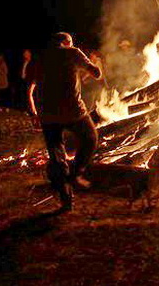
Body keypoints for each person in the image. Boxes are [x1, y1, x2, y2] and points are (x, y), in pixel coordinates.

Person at [28, 32, 102, 212]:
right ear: (66, 42)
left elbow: (29, 88)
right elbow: (96, 74)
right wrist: (96, 65)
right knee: (90, 138)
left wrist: (33, 113)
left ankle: (66, 200)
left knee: (57, 155)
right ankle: (76, 173)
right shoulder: (72, 52)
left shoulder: (39, 58)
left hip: (47, 115)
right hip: (73, 112)